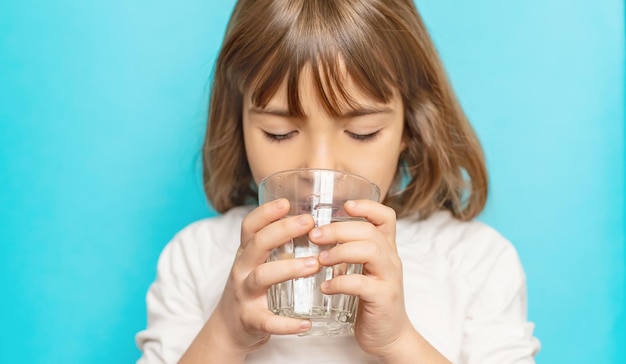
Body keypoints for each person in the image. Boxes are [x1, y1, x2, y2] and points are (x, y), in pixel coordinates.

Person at [136, 0, 540, 362]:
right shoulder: (195, 258)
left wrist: (399, 341)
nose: (320, 169)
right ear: (238, 123)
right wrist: (224, 333)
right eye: (279, 132)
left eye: (362, 132)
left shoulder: (475, 263)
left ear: (411, 128)